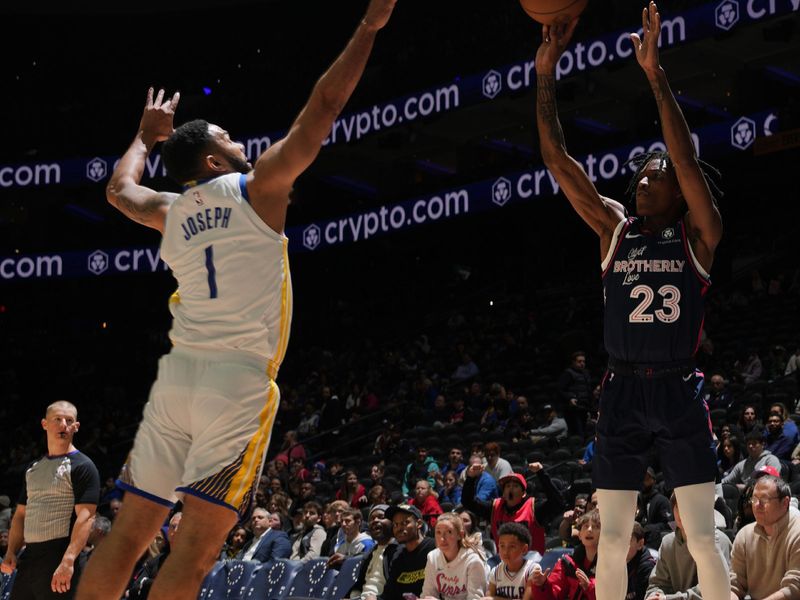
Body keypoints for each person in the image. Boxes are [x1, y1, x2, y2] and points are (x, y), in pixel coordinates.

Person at [75, 2, 399, 599]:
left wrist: (143, 138)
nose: (238, 140)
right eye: (227, 136)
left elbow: (118, 189)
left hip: (178, 381)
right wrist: (368, 27)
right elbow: (323, 110)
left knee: (126, 535)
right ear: (212, 159)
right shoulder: (258, 189)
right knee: (195, 548)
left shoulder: (171, 211)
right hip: (237, 385)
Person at [534, 5, 729, 600]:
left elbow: (688, 160)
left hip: (677, 387)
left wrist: (655, 75)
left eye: (657, 175)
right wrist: (545, 77)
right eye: (640, 175)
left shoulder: (699, 233)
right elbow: (557, 164)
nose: (644, 181)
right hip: (620, 389)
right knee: (611, 539)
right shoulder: (615, 230)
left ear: (679, 190)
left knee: (698, 535)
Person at [2, 401, 100, 600]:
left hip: (59, 556)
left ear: (76, 427)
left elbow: (86, 516)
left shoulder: (83, 466)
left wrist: (68, 560)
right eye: (57, 419)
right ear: (45, 424)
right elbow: (21, 514)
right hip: (29, 557)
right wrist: (11, 551)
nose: (63, 424)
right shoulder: (33, 468)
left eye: (69, 420)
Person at [462, 463, 565, 555]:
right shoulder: (494, 507)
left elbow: (558, 503)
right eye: (507, 486)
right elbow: (468, 502)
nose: (510, 488)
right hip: (504, 564)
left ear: (523, 493)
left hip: (531, 564)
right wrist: (471, 478)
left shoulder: (534, 507)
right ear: (503, 493)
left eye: (515, 486)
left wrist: (541, 473)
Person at [645, 493, 732, 600]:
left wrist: (667, 599)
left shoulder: (719, 541)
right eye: (679, 506)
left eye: (688, 506)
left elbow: (712, 591)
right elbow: (656, 584)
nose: (683, 513)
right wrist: (654, 596)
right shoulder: (668, 542)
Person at [729, 475, 800, 600]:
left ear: (785, 502)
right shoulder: (744, 535)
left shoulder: (797, 532)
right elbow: (734, 585)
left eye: (764, 499)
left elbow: (794, 588)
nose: (757, 505)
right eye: (754, 499)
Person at [529, 510, 600, 600]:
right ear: (580, 535)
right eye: (585, 526)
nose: (589, 530)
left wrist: (590, 587)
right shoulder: (567, 563)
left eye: (595, 527)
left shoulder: (614, 563)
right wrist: (542, 586)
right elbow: (553, 597)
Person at [420, 512, 488, 600]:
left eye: (449, 532)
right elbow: (427, 594)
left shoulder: (473, 561)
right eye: (438, 532)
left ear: (460, 535)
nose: (442, 538)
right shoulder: (432, 557)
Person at [382, 504, 436, 600]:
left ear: (419, 524)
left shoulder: (434, 548)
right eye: (395, 524)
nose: (399, 528)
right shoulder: (398, 557)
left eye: (404, 523)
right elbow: (388, 595)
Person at [349, 504, 397, 600]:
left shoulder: (399, 551)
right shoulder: (370, 554)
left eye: (381, 517)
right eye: (372, 518)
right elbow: (358, 586)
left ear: (393, 522)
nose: (375, 520)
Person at [485, 523, 538, 600]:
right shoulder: (495, 571)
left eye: (512, 547)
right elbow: (488, 598)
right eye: (502, 546)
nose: (505, 552)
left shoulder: (532, 569)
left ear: (524, 549)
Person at [558, 352, 593, 439]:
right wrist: (570, 398)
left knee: (586, 433)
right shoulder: (568, 374)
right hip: (573, 409)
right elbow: (560, 390)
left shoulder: (586, 373)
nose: (582, 363)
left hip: (584, 407)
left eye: (583, 361)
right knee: (578, 434)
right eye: (579, 361)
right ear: (573, 362)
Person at [625, 523, 656, 600]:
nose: (621, 545)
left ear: (640, 544)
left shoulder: (647, 567)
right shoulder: (619, 560)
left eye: (627, 541)